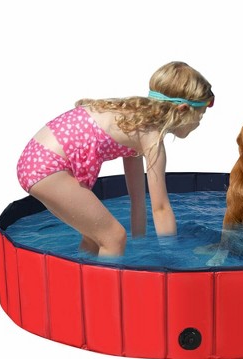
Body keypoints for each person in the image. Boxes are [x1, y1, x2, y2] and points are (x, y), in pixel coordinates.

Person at [17, 61, 214, 257]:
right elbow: (161, 209)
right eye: (201, 115)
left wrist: (140, 248)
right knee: (114, 238)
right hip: (48, 167)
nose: (199, 123)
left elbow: (137, 200)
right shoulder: (152, 138)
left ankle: (82, 275)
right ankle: (103, 279)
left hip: (35, 161)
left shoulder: (135, 121)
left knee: (94, 238)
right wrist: (171, 257)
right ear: (183, 110)